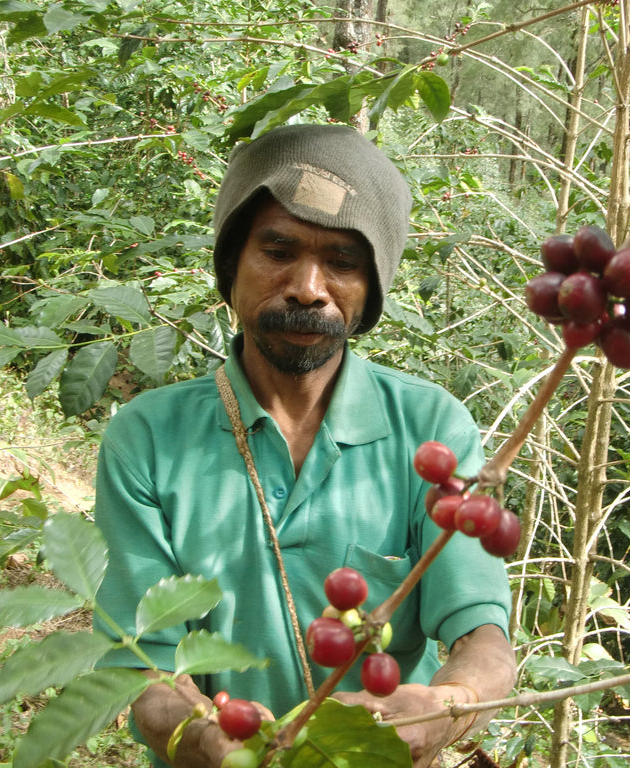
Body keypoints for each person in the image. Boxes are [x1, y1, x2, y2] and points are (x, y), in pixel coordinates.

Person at [92, 123, 516, 768]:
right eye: (278, 250)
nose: (309, 288)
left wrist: (445, 707)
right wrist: (203, 736)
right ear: (232, 265)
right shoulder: (148, 439)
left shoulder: (431, 429)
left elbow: (483, 637)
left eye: (343, 263)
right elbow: (141, 670)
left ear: (371, 288)